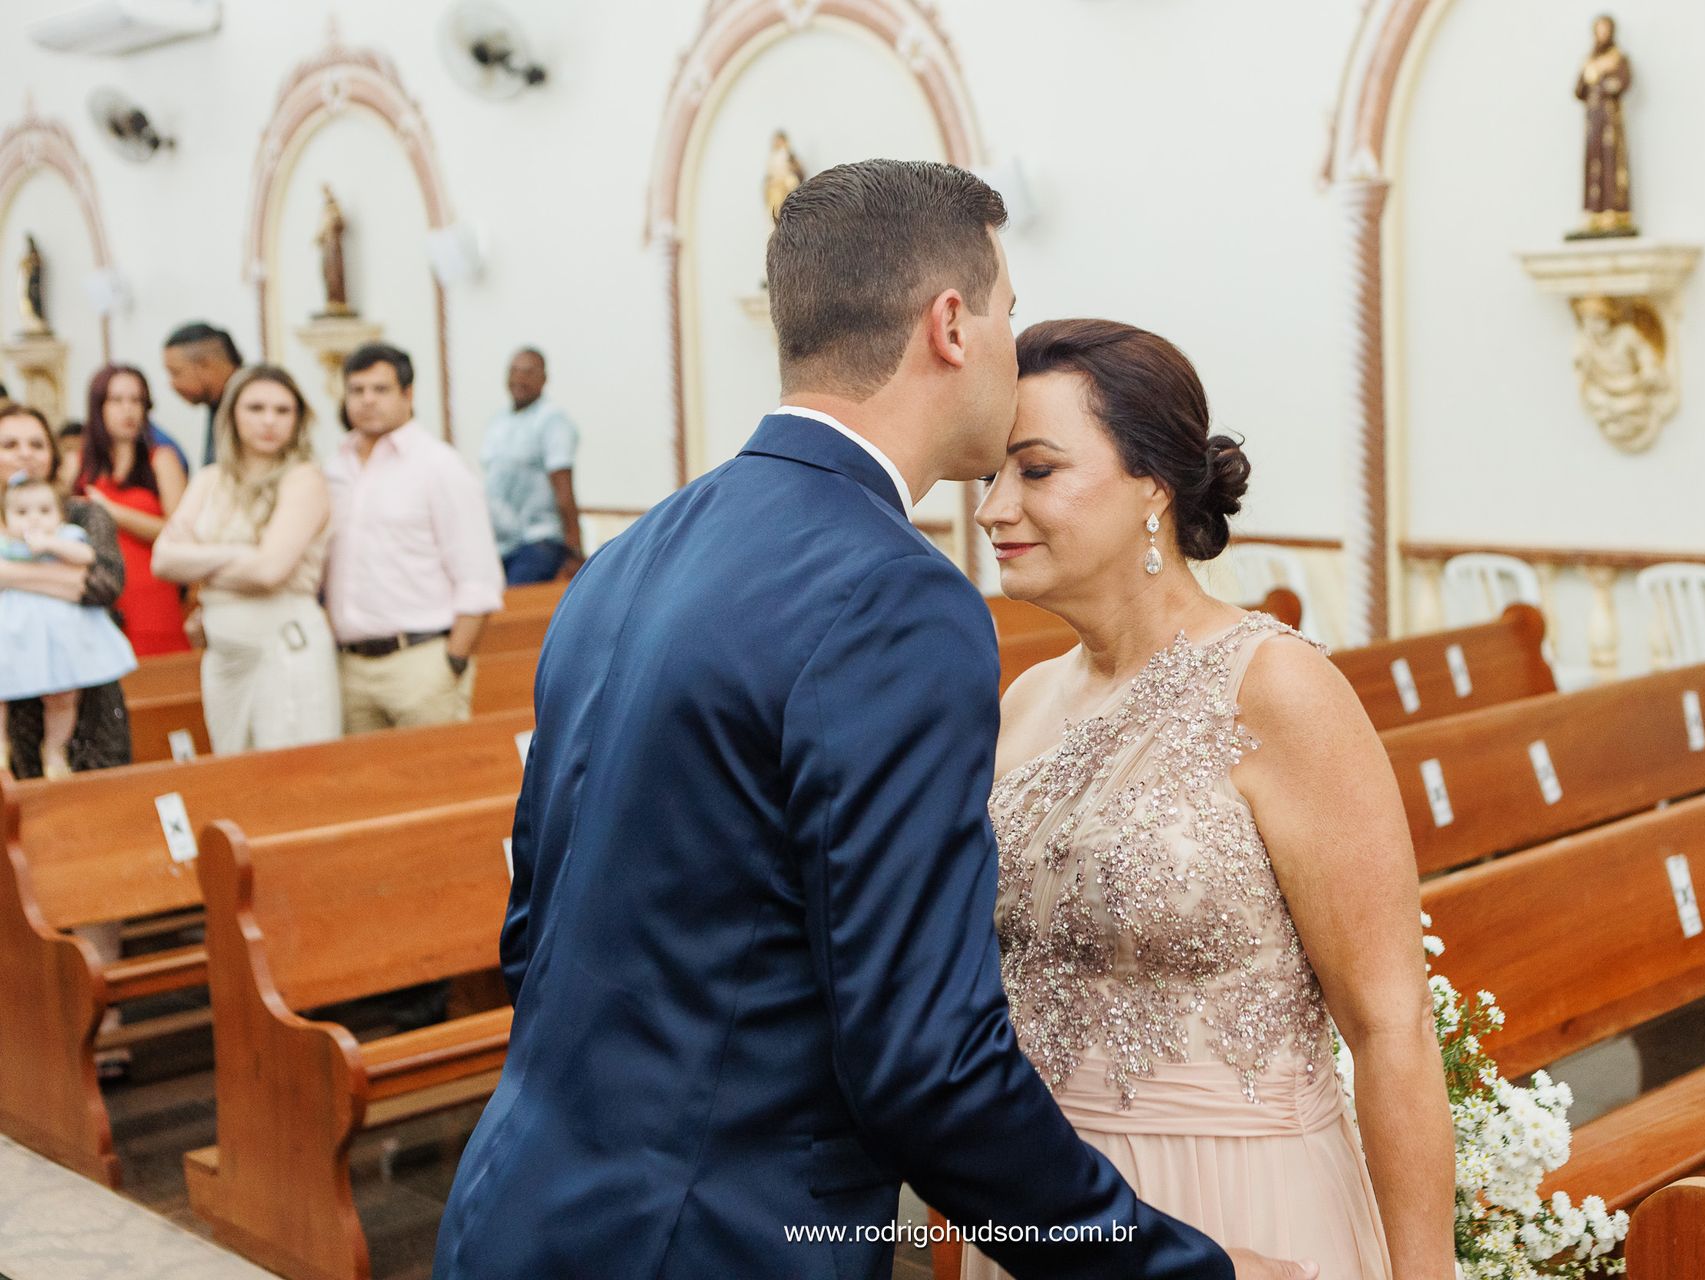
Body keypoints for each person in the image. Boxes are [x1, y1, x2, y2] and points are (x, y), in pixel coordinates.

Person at [433, 160, 1313, 1280]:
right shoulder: (890, 596)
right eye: (1007, 310)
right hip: (711, 1243)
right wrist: (1175, 1270)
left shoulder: (628, 557)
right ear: (952, 323)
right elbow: (926, 1065)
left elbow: (532, 938)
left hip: (518, 1203)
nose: (1010, 341)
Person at [968, 319, 1456, 1280]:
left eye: (1034, 471)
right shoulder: (1021, 704)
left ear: (1153, 484)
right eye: (989, 475)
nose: (992, 509)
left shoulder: (1276, 689)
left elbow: (1389, 1022)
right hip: (1052, 1218)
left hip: (1241, 1204)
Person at [0, 403, 136, 1075]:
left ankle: (103, 1018)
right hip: (9, 711)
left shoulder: (84, 515)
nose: (22, 454)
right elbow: (76, 583)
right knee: (23, 869)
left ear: (53, 454)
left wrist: (12, 573)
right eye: (7, 444)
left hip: (86, 709)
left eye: (33, 443)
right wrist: (62, 580)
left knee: (93, 857)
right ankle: (35, 1025)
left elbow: (104, 585)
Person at [153, 365, 339, 753]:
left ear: (298, 419)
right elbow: (164, 561)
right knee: (235, 775)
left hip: (285, 646)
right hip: (224, 657)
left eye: (283, 410)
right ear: (233, 414)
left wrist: (201, 559)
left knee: (289, 779)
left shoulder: (304, 479)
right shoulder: (208, 479)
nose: (269, 420)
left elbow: (270, 571)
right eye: (255, 408)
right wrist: (241, 554)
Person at [325, 343, 502, 733]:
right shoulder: (335, 468)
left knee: (436, 784)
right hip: (349, 667)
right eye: (357, 390)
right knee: (364, 789)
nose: (367, 400)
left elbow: (479, 577)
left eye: (380, 389)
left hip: (421, 662)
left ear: (408, 394)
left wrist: (452, 661)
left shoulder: (438, 465)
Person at [0, 473, 137, 778]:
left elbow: (90, 562)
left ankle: (55, 749)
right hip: (15, 635)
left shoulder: (68, 536)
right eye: (22, 513)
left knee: (63, 696)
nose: (33, 519)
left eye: (44, 511)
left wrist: (49, 545)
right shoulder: (5, 543)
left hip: (61, 636)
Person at [74, 365, 190, 657]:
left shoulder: (161, 459)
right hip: (99, 591)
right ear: (98, 405)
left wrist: (113, 512)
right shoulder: (77, 465)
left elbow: (179, 532)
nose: (129, 410)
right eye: (117, 400)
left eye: (137, 400)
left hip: (154, 590)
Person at [481, 347, 583, 584]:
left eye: (528, 372)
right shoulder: (499, 420)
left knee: (516, 614)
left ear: (544, 379)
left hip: (538, 542)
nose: (519, 379)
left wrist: (574, 550)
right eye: (514, 371)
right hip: (500, 545)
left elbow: (563, 487)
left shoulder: (553, 421)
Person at [162, 322, 242, 466]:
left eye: (176, 372)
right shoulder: (218, 402)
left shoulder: (253, 405)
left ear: (206, 365)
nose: (172, 384)